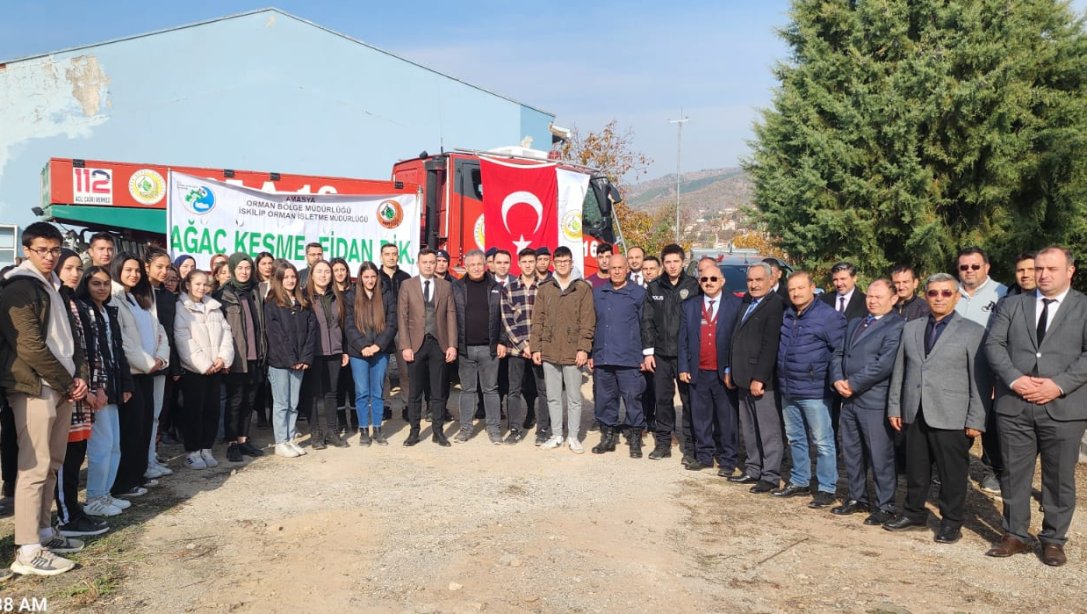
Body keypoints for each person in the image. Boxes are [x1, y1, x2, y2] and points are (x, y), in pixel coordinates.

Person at [984, 246, 1087, 566]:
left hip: (1064, 406)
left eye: (1051, 269)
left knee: (1058, 477)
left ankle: (1054, 539)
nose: (1042, 275)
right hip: (1015, 403)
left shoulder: (1084, 307)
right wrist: (1015, 380)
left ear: (1070, 271)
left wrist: (1058, 385)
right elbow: (994, 344)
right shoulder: (1012, 305)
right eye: (1039, 268)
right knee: (1014, 473)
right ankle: (1015, 534)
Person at [0, 223, 89, 575]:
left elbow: (70, 340)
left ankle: (44, 532)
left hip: (62, 385)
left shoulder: (55, 286)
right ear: (26, 250)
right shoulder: (20, 287)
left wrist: (78, 376)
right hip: (33, 387)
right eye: (43, 250)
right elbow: (29, 346)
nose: (50, 256)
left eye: (55, 249)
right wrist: (67, 381)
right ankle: (27, 550)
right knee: (33, 468)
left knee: (52, 462)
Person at [884, 273, 987, 544]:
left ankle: (951, 521)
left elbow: (979, 379)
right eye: (933, 293)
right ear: (926, 295)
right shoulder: (912, 328)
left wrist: (976, 417)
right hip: (914, 410)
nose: (939, 298)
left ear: (956, 296)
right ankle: (914, 514)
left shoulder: (973, 331)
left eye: (945, 293)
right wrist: (895, 406)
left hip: (951, 414)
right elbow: (900, 370)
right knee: (916, 469)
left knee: (952, 473)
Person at [829, 279, 904, 526]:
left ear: (893, 299)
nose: (872, 301)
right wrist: (838, 378)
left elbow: (884, 364)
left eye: (878, 297)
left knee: (879, 454)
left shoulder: (897, 326)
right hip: (848, 399)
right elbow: (839, 353)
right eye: (869, 296)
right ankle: (857, 497)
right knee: (852, 451)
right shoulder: (855, 323)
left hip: (874, 399)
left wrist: (853, 383)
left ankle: (886, 505)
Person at [774, 271, 846, 508]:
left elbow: (841, 351)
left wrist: (836, 379)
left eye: (800, 288)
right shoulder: (788, 314)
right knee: (796, 438)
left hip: (816, 390)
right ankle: (800, 480)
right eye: (791, 289)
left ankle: (827, 487)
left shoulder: (828, 317)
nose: (795, 293)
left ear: (813, 288)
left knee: (823, 441)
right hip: (789, 387)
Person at [52, 250, 109, 538]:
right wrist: (79, 385)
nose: (74, 273)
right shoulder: (58, 300)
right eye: (68, 267)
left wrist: (96, 386)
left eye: (77, 268)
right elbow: (65, 351)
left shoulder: (78, 304)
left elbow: (91, 350)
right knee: (67, 455)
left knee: (78, 451)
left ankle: (73, 509)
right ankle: (66, 515)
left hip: (87, 388)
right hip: (70, 391)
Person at [76, 266, 134, 519]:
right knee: (101, 446)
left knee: (114, 445)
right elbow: (88, 353)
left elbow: (117, 351)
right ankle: (94, 497)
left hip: (112, 386)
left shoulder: (108, 311)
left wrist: (125, 385)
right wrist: (94, 387)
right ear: (86, 285)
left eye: (106, 284)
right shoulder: (82, 309)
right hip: (96, 388)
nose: (102, 288)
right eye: (96, 283)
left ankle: (105, 493)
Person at [110, 253, 170, 499]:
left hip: (149, 370)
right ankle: (123, 483)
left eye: (136, 271)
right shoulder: (114, 298)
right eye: (128, 270)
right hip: (133, 372)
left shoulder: (140, 298)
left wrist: (161, 359)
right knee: (131, 430)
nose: (133, 274)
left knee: (145, 425)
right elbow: (123, 342)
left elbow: (160, 331)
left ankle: (138, 474)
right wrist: (148, 363)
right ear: (117, 270)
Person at [727, 263, 786, 492]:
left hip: (762, 381)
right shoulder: (747, 303)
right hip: (742, 375)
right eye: (750, 280)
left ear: (771, 280)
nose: (753, 284)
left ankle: (770, 475)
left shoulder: (775, 306)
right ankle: (753, 468)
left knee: (768, 430)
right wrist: (730, 370)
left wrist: (760, 377)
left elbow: (770, 345)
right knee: (749, 429)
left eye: (759, 280)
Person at [530, 246, 595, 451]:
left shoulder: (582, 288)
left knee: (574, 397)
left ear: (571, 262)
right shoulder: (545, 288)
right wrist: (536, 347)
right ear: (553, 264)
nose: (562, 265)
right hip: (549, 349)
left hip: (573, 350)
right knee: (553, 395)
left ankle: (573, 436)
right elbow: (537, 320)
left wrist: (584, 348)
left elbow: (588, 321)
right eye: (558, 262)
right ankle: (557, 434)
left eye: (565, 261)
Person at [678, 264, 742, 471]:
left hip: (723, 373)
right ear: (699, 282)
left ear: (722, 281)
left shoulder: (736, 304)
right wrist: (683, 366)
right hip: (699, 371)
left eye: (713, 279)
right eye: (704, 279)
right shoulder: (690, 305)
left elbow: (738, 341)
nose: (709, 283)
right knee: (701, 417)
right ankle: (704, 456)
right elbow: (683, 340)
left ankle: (728, 459)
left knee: (727, 419)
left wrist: (732, 369)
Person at [954, 246, 1006, 495]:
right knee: (955, 423)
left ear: (987, 267)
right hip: (956, 371)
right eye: (964, 267)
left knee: (991, 423)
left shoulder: (1002, 294)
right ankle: (952, 468)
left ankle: (993, 470)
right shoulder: (950, 292)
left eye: (975, 266)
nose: (969, 271)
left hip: (989, 368)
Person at [642, 244, 700, 463]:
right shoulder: (654, 287)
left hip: (685, 355)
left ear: (683, 262)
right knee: (663, 400)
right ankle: (663, 444)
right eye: (667, 262)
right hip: (661, 355)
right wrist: (648, 353)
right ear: (662, 264)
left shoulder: (693, 286)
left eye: (676, 261)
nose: (672, 266)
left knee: (689, 401)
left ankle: (691, 448)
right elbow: (647, 321)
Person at [590, 254, 650, 457]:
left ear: (627, 269)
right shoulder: (598, 293)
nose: (616, 271)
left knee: (633, 400)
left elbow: (646, 326)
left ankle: (635, 438)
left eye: (620, 268)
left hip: (629, 358)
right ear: (608, 269)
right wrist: (590, 352)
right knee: (605, 400)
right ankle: (607, 436)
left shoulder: (639, 293)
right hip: (603, 356)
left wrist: (645, 354)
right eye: (612, 268)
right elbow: (591, 324)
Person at [174, 269, 234, 469]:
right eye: (197, 284)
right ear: (188, 285)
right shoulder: (181, 308)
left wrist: (222, 359)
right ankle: (193, 450)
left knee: (212, 409)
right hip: (194, 370)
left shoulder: (214, 307)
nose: (201, 288)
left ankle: (206, 447)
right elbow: (183, 339)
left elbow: (226, 333)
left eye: (205, 284)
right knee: (194, 410)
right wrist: (204, 364)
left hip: (215, 368)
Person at [398, 249, 457, 446]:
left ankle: (438, 432)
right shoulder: (407, 285)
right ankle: (414, 432)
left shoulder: (445, 286)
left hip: (438, 343)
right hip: (415, 345)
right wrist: (405, 345)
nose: (429, 265)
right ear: (418, 263)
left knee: (438, 390)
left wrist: (452, 345)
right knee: (415, 391)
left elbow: (451, 316)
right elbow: (402, 317)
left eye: (433, 262)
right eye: (425, 262)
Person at [215, 253, 267, 462]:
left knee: (249, 401)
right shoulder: (223, 294)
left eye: (247, 268)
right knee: (235, 402)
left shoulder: (254, 291)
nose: (244, 272)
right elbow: (219, 329)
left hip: (255, 356)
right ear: (233, 269)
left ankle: (244, 440)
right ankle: (232, 443)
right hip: (236, 358)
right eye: (240, 268)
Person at [451, 250, 506, 444]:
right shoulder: (456, 287)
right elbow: (451, 318)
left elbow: (504, 318)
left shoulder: (496, 288)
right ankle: (465, 428)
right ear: (465, 266)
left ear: (485, 265)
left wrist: (502, 341)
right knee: (467, 390)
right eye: (471, 264)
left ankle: (494, 429)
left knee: (490, 390)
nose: (475, 268)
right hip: (465, 349)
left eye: (478, 264)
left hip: (489, 349)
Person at [264, 262, 317, 458]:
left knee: (294, 403)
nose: (290, 280)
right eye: (286, 277)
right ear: (278, 279)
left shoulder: (302, 301)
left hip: (299, 362)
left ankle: (290, 438)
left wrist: (304, 358)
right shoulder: (272, 303)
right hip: (280, 362)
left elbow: (311, 331)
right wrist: (291, 359)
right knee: (282, 403)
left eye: (293, 276)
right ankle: (280, 441)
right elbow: (276, 335)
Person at [344, 262, 397, 446]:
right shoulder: (351, 295)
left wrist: (378, 346)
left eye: (373, 276)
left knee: (378, 392)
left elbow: (391, 323)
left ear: (377, 277)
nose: (370, 280)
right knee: (362, 392)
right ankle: (363, 431)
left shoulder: (386, 294)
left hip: (379, 352)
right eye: (366, 277)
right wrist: (363, 346)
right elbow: (348, 325)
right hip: (358, 353)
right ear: (360, 278)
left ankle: (378, 430)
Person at [501, 248, 547, 445]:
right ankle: (515, 429)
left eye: (531, 261)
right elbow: (507, 320)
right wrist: (523, 345)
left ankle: (544, 429)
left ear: (536, 263)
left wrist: (535, 346)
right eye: (525, 262)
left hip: (539, 350)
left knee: (544, 390)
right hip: (516, 349)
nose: (528, 265)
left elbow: (548, 320)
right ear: (518, 264)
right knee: (514, 390)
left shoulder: (545, 288)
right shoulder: (509, 288)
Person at [303, 260, 349, 449]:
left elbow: (344, 325)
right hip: (314, 352)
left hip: (334, 352)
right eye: (319, 272)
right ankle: (315, 432)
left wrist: (344, 350)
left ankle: (332, 431)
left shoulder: (337, 297)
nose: (323, 275)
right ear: (312, 275)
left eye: (326, 272)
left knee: (331, 392)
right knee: (312, 394)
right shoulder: (305, 298)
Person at [143, 248, 177, 480]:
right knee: (143, 417)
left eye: (167, 267)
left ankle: (151, 458)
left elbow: (169, 332)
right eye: (159, 267)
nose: (164, 272)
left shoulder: (167, 296)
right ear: (147, 267)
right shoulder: (138, 294)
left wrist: (167, 362)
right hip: (141, 364)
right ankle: (142, 462)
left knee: (156, 414)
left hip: (162, 362)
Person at [380, 242, 412, 407]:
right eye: (387, 254)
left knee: (405, 370)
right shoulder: (375, 277)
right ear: (381, 257)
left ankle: (407, 405)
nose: (391, 257)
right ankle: (385, 405)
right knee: (382, 372)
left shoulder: (406, 277)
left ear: (398, 256)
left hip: (402, 329)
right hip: (381, 329)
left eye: (394, 254)